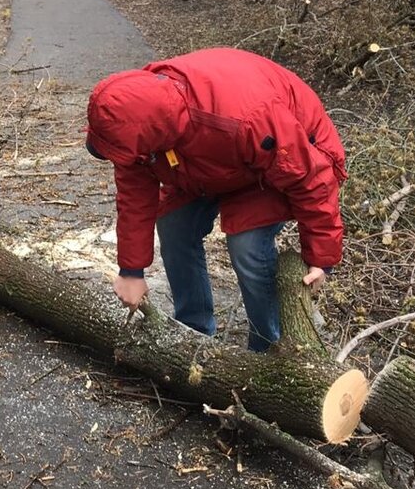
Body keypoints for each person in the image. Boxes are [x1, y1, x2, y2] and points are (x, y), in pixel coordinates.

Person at [84, 48, 346, 352]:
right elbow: (134, 199)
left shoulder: (249, 118)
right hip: (201, 161)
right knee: (173, 223)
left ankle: (266, 348)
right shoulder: (136, 129)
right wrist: (131, 270)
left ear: (154, 136)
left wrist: (321, 258)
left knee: (247, 246)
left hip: (279, 163)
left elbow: (310, 177)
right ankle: (192, 331)